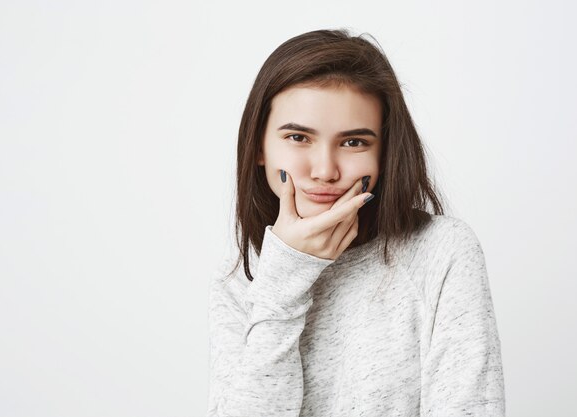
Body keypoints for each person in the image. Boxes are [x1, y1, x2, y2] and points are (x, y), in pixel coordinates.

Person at [206, 29, 505, 417]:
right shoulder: (241, 279)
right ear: (260, 148)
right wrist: (284, 280)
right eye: (298, 137)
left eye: (353, 143)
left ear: (385, 152)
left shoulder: (441, 251)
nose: (325, 171)